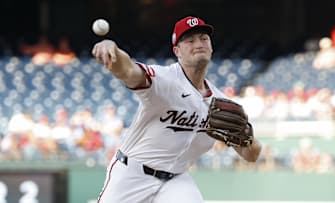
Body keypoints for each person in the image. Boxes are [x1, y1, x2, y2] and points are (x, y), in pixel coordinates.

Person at [92, 16, 262, 203]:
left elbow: (251, 155)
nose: (198, 44)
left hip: (176, 180)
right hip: (132, 174)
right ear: (177, 51)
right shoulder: (164, 80)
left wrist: (245, 134)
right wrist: (112, 50)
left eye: (203, 39)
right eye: (190, 40)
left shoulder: (220, 103)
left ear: (211, 47)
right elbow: (129, 71)